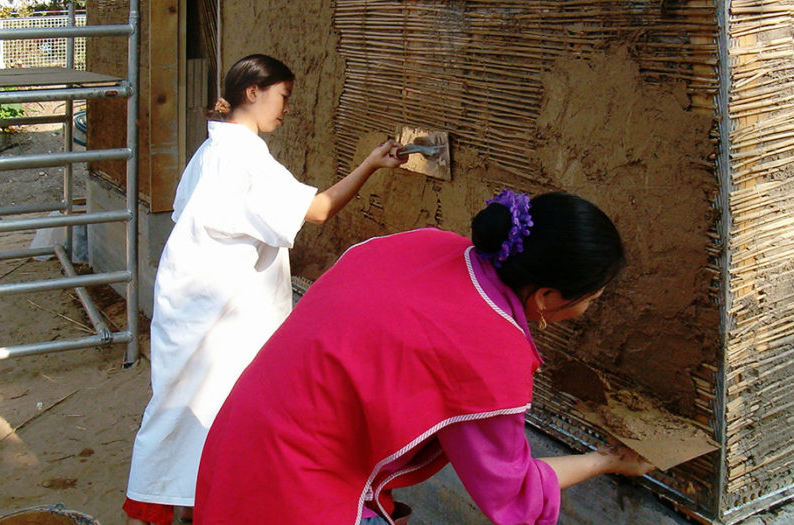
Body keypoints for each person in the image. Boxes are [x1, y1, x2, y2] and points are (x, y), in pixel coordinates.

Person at [193, 190, 656, 524]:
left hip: (236, 444)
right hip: (295, 494)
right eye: (591, 298)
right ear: (547, 297)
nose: (589, 308)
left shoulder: (424, 244)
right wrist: (606, 461)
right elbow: (513, 493)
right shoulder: (490, 350)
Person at [122, 54, 407, 525]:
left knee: (192, 415)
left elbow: (183, 218)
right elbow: (317, 210)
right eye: (283, 96)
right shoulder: (241, 158)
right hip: (218, 316)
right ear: (252, 92)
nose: (286, 108)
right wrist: (371, 165)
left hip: (194, 304)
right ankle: (207, 509)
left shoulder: (212, 150)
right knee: (213, 418)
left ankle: (196, 506)